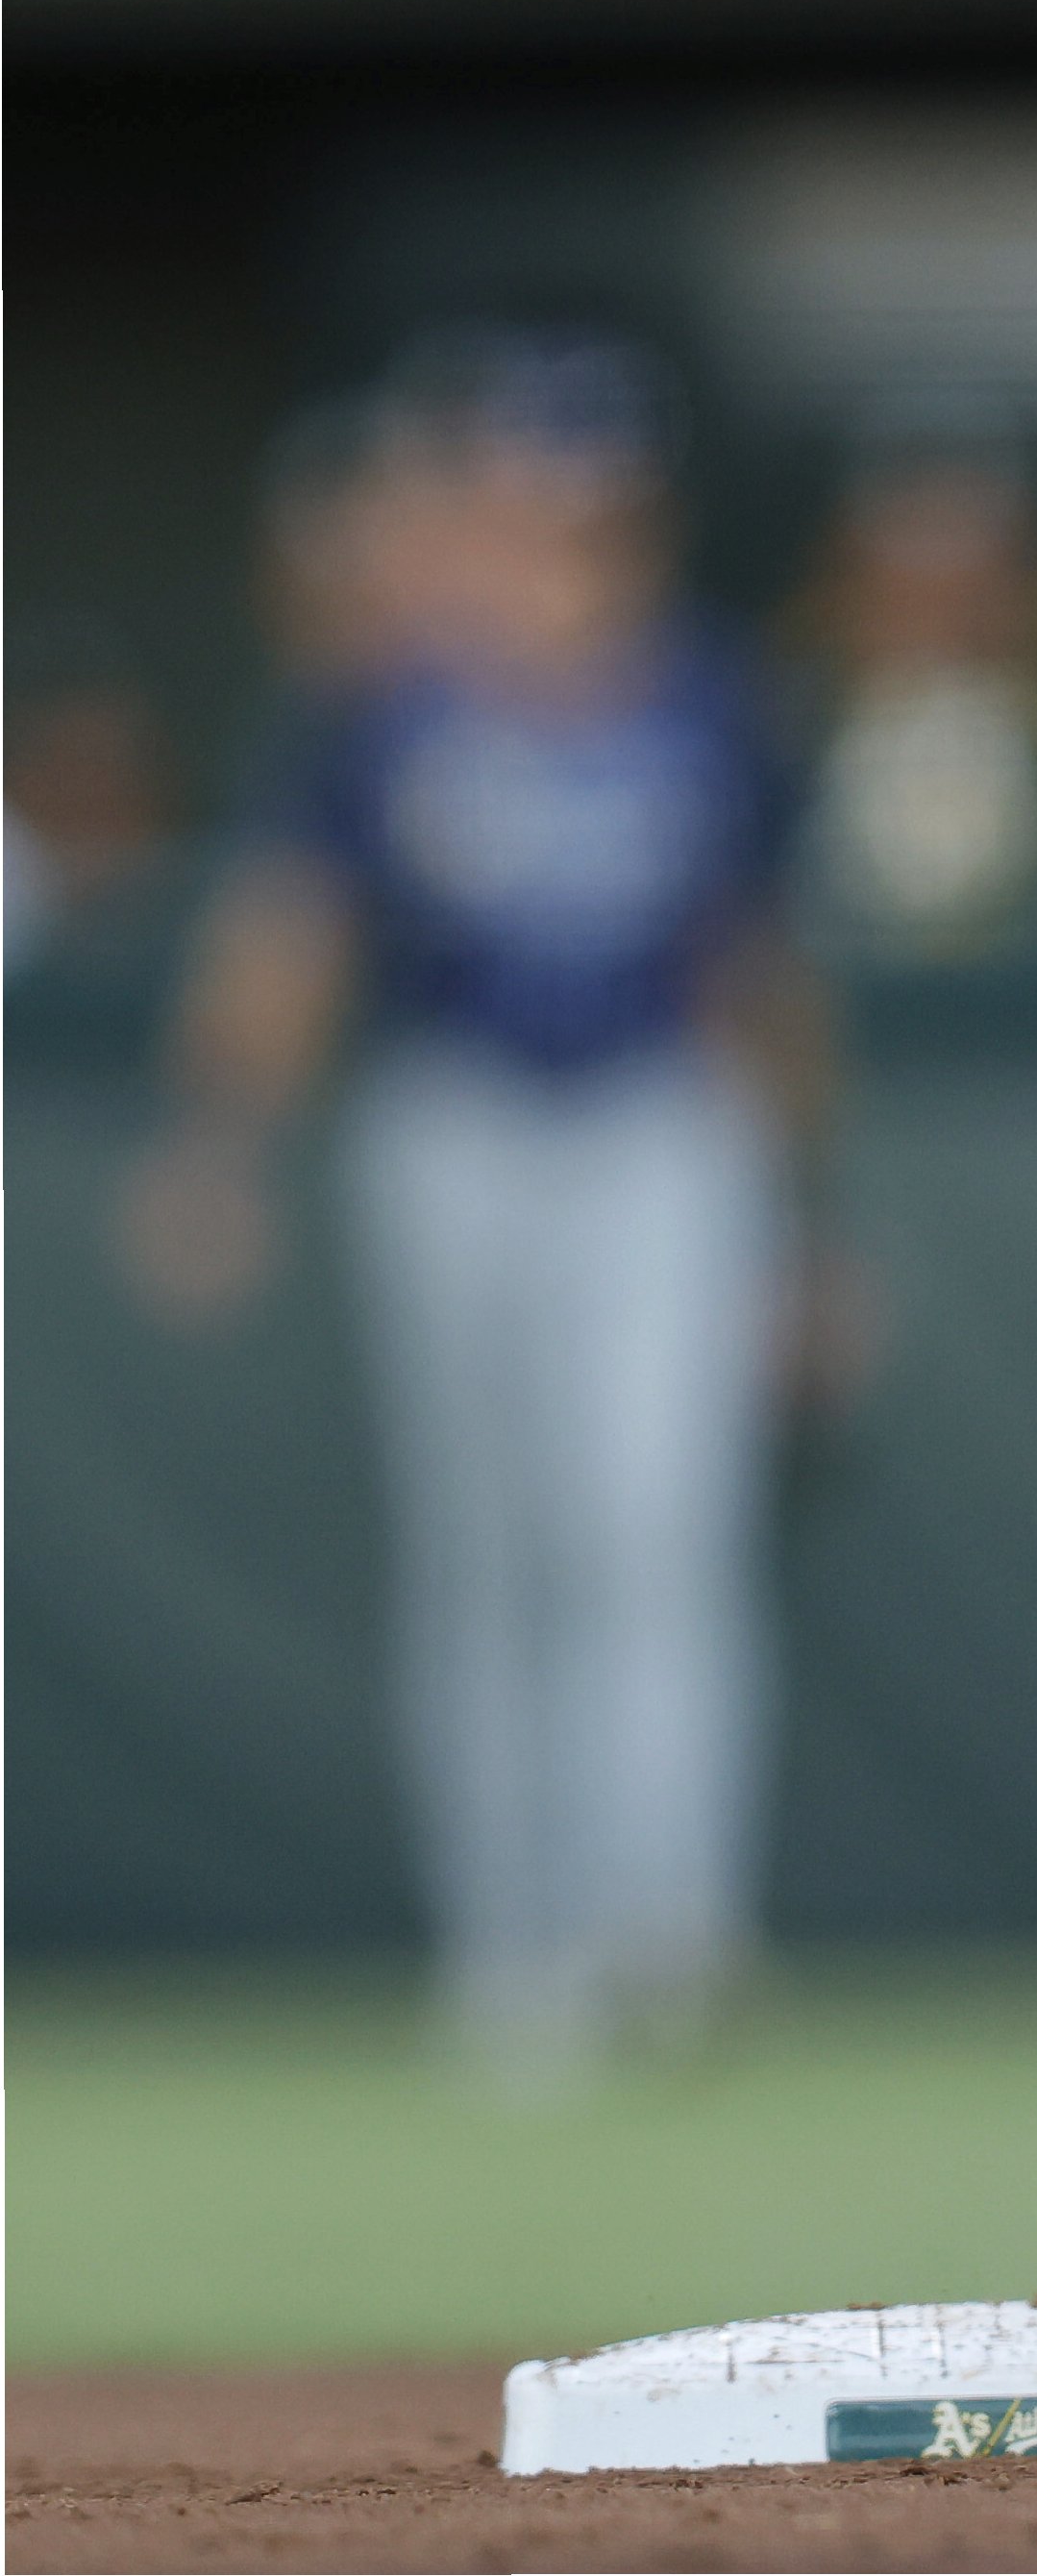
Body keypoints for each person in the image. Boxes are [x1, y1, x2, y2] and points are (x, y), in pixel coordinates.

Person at [117, 336, 847, 2082]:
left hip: (663, 1127)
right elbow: (290, 938)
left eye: (590, 499)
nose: (561, 531)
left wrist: (813, 1222)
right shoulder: (388, 703)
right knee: (490, 1550)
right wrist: (218, 1145)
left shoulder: (708, 698)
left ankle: (669, 1926)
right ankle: (516, 1957)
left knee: (655, 1525)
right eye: (529, 493)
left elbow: (762, 974)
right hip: (452, 1123)